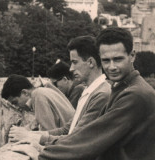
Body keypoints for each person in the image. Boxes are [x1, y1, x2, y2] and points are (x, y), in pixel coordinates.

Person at [11, 27, 155, 160]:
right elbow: (84, 136)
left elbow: (91, 139)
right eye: (106, 60)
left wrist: (42, 153)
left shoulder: (135, 94)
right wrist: (44, 145)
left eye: (118, 59)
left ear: (132, 56)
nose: (111, 67)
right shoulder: (123, 88)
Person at [9, 36, 110, 142]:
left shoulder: (101, 94)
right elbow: (67, 130)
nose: (71, 68)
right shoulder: (89, 91)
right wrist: (32, 134)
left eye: (75, 62)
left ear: (90, 62)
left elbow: (76, 139)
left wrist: (34, 137)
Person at [1, 74, 75, 131]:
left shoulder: (37, 95)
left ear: (25, 92)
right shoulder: (43, 91)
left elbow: (48, 134)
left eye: (15, 102)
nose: (17, 107)